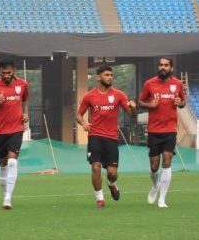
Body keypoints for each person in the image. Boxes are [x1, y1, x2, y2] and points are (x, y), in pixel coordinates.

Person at [76, 65, 136, 208]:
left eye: (111, 75)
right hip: (95, 136)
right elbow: (79, 114)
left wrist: (133, 107)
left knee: (112, 173)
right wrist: (84, 124)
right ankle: (100, 199)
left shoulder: (119, 95)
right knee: (95, 168)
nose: (110, 77)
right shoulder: (90, 96)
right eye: (106, 75)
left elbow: (131, 115)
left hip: (111, 138)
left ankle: (111, 184)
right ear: (98, 77)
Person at [138, 57, 186, 208]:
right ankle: (155, 186)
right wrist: (150, 105)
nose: (162, 67)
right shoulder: (149, 83)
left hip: (170, 129)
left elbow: (183, 102)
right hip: (154, 130)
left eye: (166, 65)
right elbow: (140, 102)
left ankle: (162, 199)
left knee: (167, 160)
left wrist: (180, 103)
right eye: (160, 65)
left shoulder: (178, 84)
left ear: (171, 68)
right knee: (154, 166)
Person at [0, 60, 29, 209]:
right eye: (3, 73)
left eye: (9, 73)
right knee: (3, 162)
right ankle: (5, 195)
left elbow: (24, 100)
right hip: (1, 130)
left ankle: (8, 198)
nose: (6, 75)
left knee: (12, 161)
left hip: (17, 129)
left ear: (14, 70)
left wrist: (25, 114)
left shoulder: (23, 85)